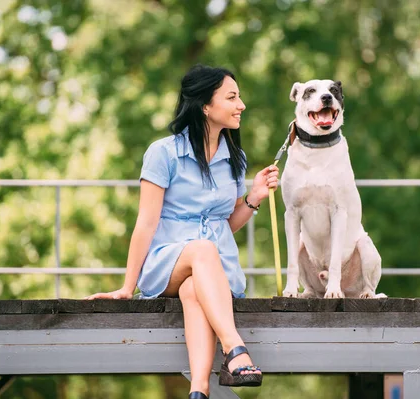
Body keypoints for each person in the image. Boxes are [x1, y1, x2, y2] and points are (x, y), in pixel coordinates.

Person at [86, 64, 279, 399]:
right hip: (166, 265)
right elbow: (146, 222)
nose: (241, 105)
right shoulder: (163, 153)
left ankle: (198, 390)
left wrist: (254, 197)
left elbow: (227, 223)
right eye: (232, 97)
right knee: (202, 251)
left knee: (193, 289)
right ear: (205, 105)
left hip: (216, 274)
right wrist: (126, 287)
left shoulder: (236, 158)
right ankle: (235, 349)